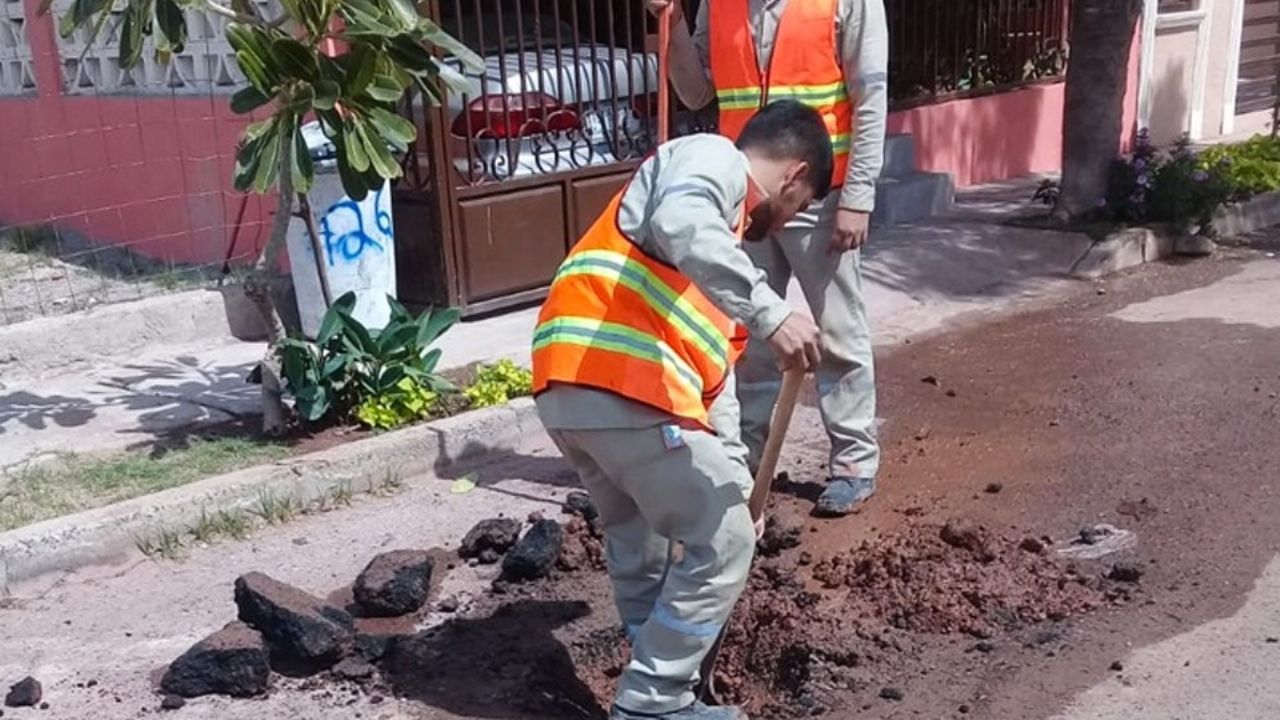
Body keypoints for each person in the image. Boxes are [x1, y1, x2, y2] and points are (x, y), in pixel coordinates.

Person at [532, 100, 832, 720]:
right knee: (719, 546)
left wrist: (736, 490)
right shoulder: (712, 158)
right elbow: (681, 217)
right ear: (794, 175)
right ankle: (654, 703)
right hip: (620, 386)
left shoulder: (714, 273)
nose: (781, 224)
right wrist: (772, 311)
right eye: (796, 208)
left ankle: (665, 684)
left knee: (640, 545)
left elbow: (715, 400)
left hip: (574, 391)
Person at [649, 0, 890, 516]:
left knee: (839, 331)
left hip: (820, 196)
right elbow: (696, 93)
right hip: (747, 196)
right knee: (748, 336)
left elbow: (870, 96)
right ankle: (748, 460)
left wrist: (858, 197)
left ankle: (853, 461)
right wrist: (671, 22)